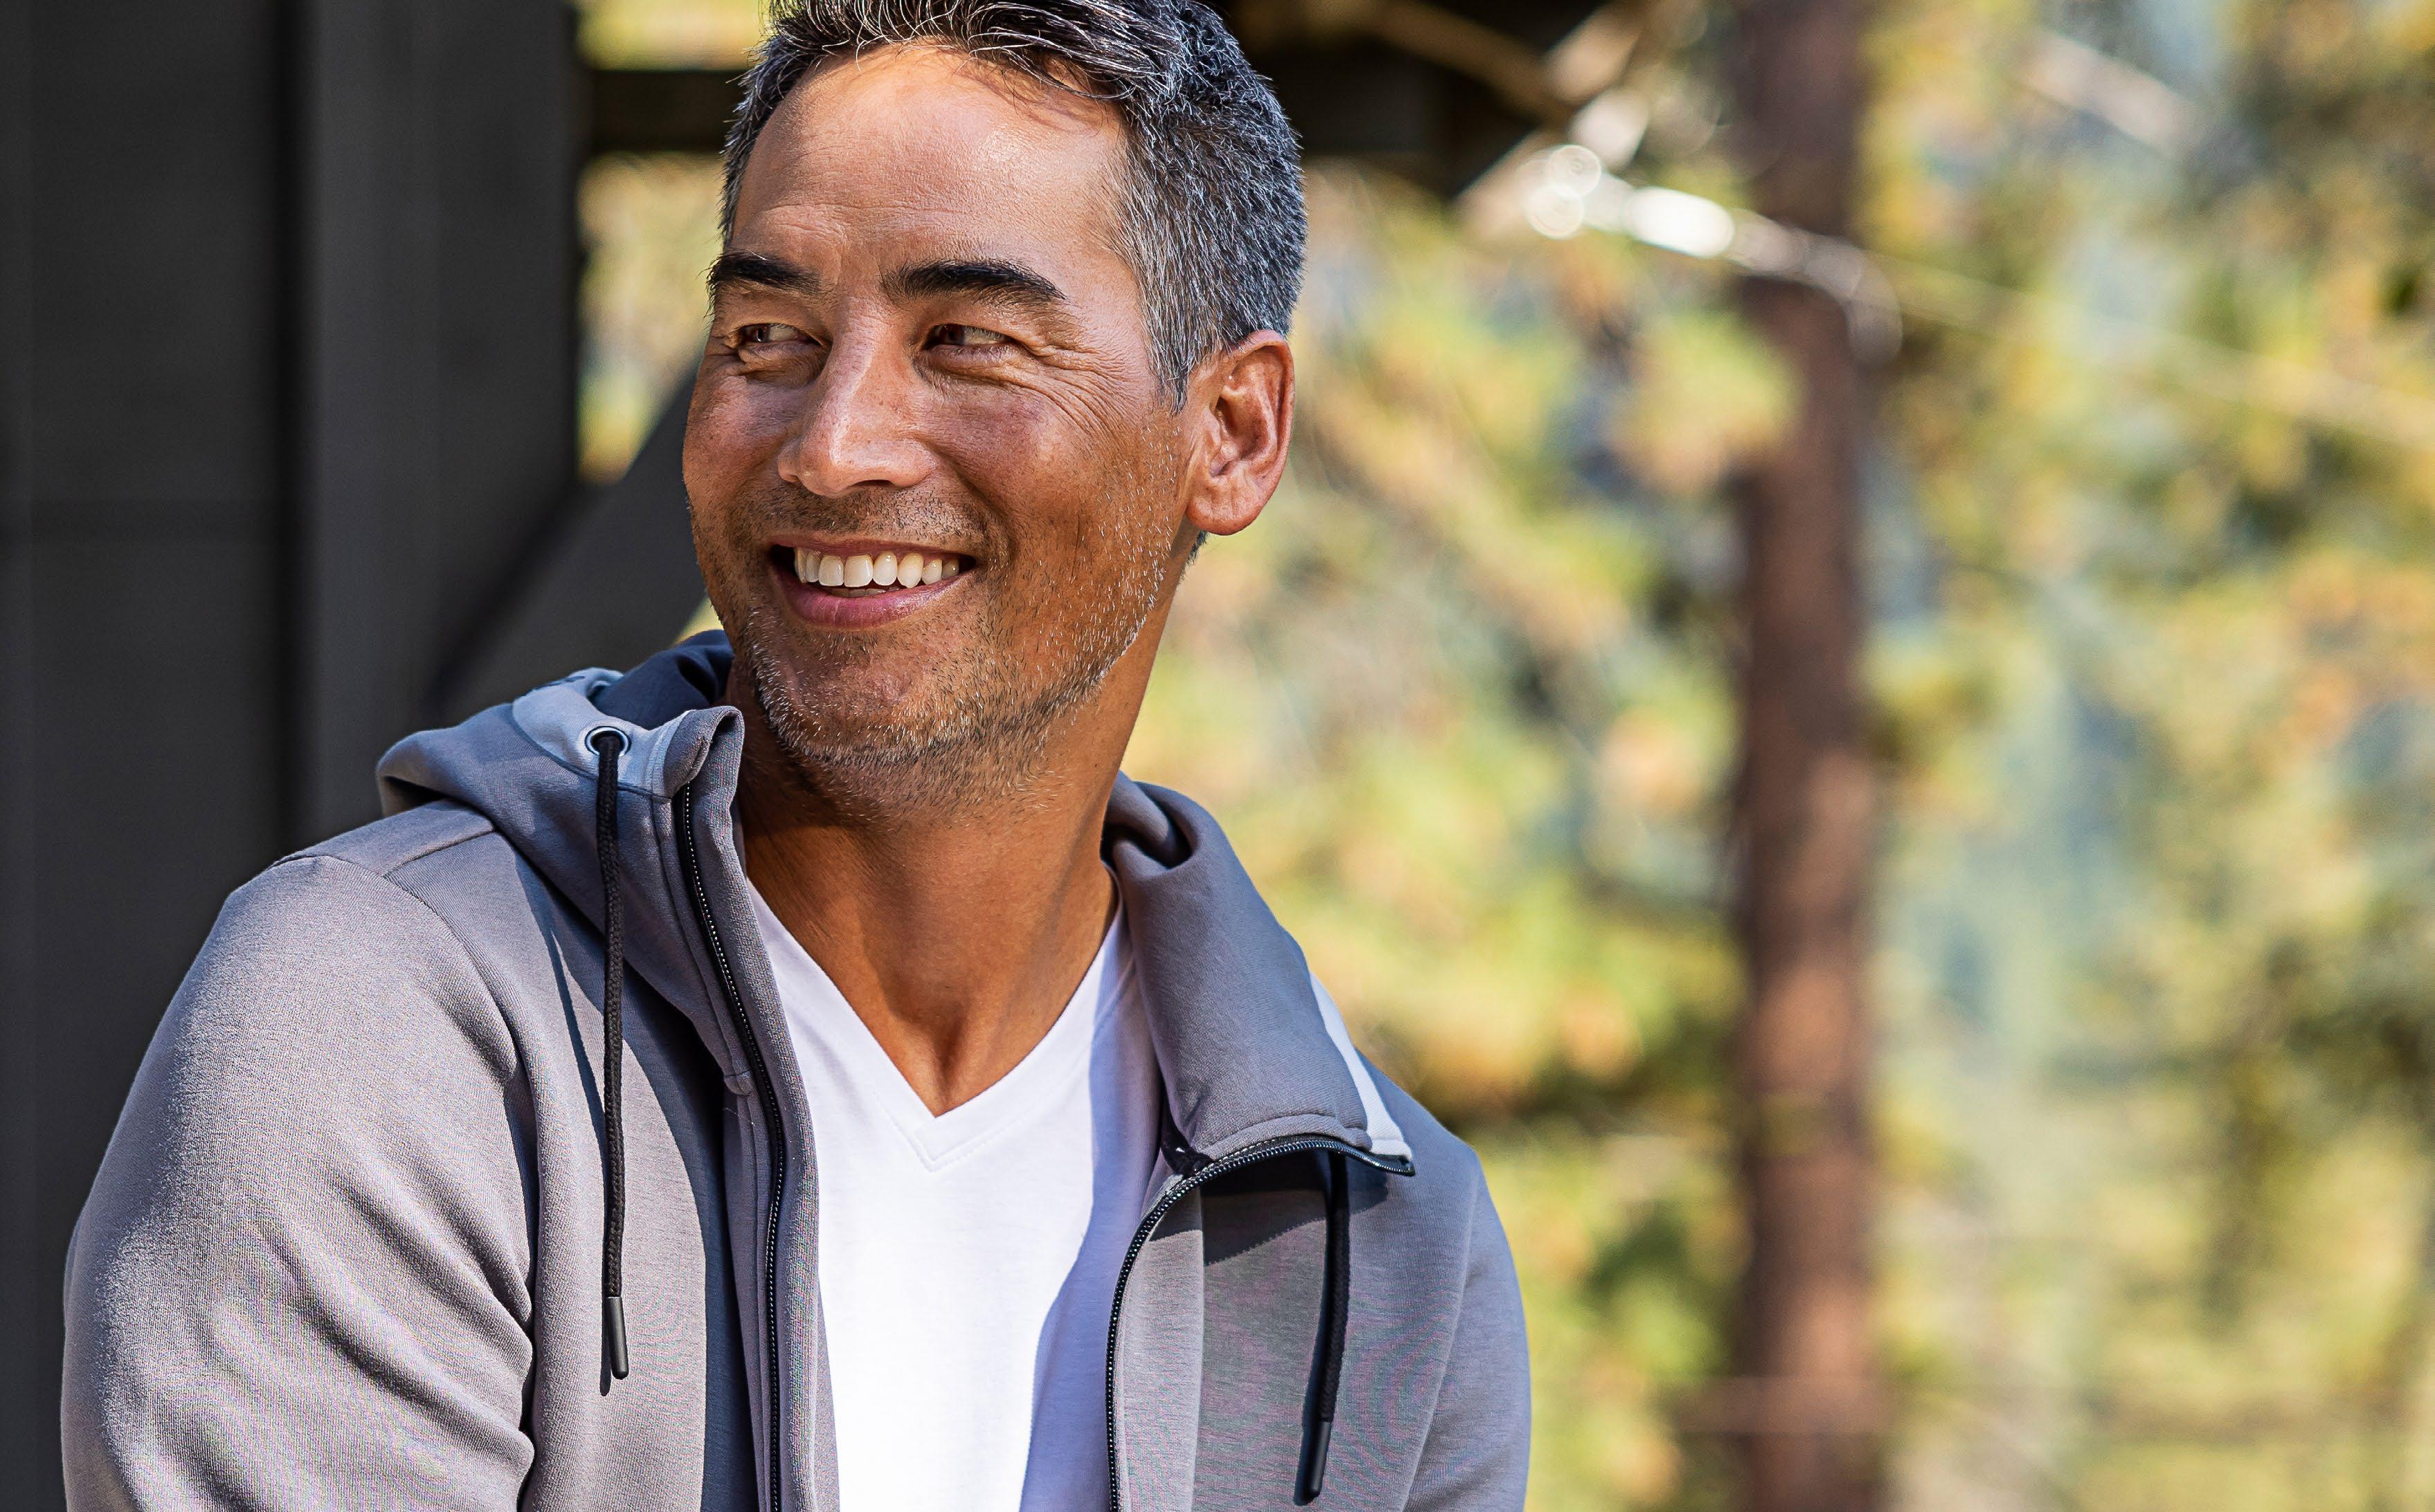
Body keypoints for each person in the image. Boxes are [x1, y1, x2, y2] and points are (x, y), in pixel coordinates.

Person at [60, 0, 1530, 1506]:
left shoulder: (1383, 1247)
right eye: (770, 338)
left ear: (1231, 432)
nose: (832, 446)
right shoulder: (382, 1021)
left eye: (966, 343)